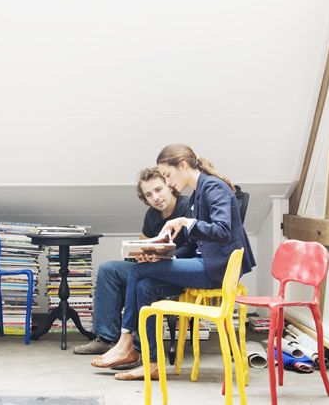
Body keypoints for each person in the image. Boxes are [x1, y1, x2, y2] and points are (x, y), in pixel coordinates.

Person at [91, 143, 256, 381]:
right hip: (204, 264)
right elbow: (193, 242)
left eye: (167, 176)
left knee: (138, 271)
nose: (168, 183)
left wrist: (186, 223)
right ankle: (153, 364)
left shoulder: (213, 188)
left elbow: (223, 231)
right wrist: (163, 254)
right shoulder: (198, 194)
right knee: (144, 286)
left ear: (183, 165)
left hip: (217, 269)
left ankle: (125, 341)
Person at [73, 167, 195, 359]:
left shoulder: (187, 207)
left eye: (158, 190)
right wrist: (140, 254)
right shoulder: (152, 215)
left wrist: (166, 256)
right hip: (153, 267)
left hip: (179, 272)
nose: (155, 198)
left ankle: (137, 344)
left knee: (142, 281)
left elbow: (193, 247)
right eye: (148, 194)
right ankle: (106, 338)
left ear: (170, 186)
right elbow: (144, 242)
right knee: (108, 270)